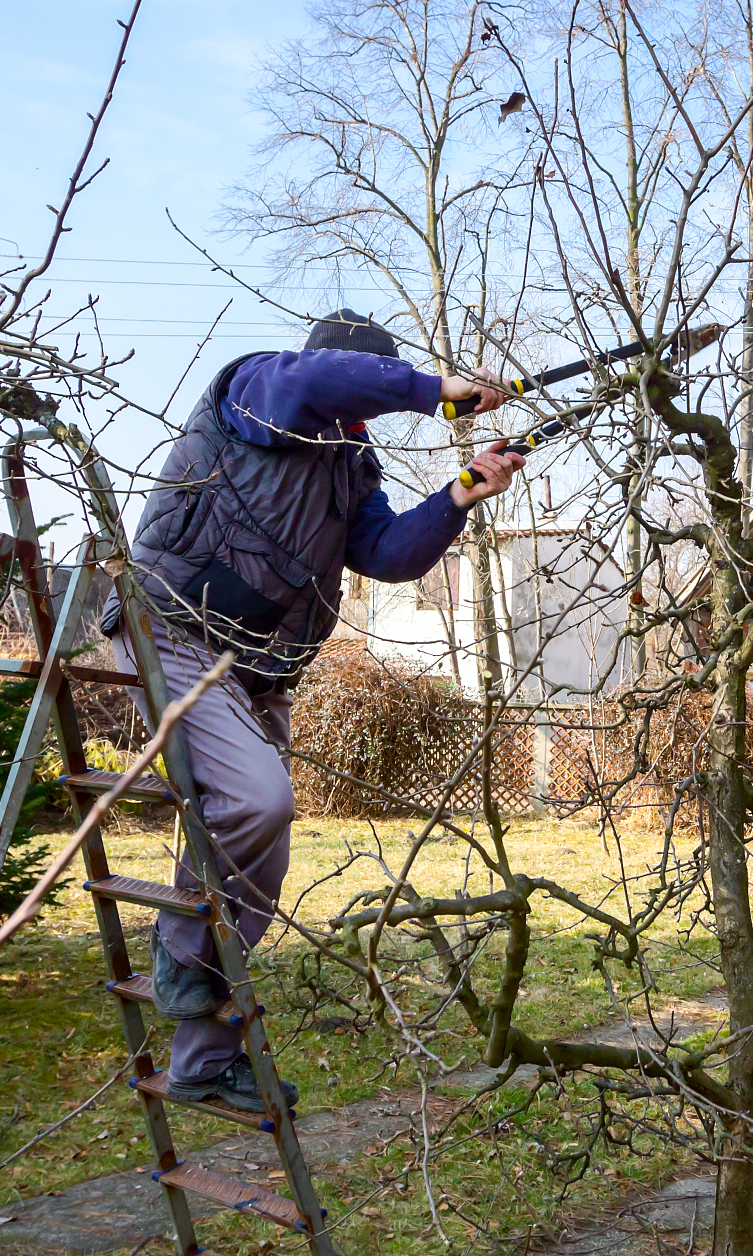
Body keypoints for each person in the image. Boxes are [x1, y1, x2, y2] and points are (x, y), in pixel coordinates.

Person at [100, 308, 522, 1111]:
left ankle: (200, 1059)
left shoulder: (348, 467)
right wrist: (435, 390)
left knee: (259, 861)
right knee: (259, 800)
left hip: (258, 671)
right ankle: (182, 957)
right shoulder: (256, 389)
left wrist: (464, 491)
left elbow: (390, 553)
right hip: (179, 632)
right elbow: (315, 383)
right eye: (359, 395)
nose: (359, 416)